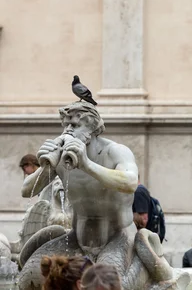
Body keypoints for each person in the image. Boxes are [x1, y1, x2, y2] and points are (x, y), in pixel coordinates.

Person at [20, 102, 139, 288]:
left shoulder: (115, 152)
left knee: (104, 285)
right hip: (77, 239)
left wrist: (87, 165)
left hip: (118, 237)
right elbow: (26, 190)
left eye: (75, 125)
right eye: (65, 125)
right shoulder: (61, 156)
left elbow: (131, 182)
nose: (68, 131)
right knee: (29, 279)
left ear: (92, 128)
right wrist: (46, 167)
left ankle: (153, 267)